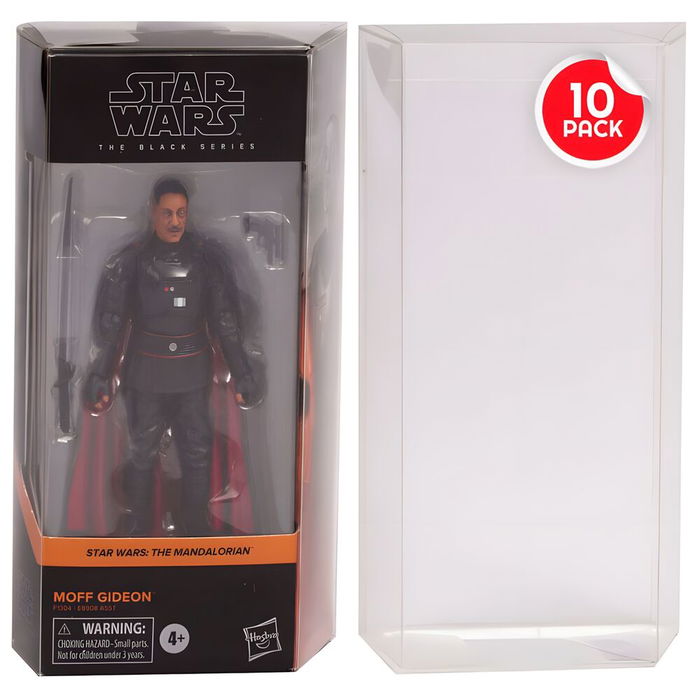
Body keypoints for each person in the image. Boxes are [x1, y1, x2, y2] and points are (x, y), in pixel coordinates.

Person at [84, 177, 263, 536]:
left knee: (197, 450)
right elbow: (113, 325)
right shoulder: (131, 262)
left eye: (181, 213)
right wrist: (100, 374)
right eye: (167, 213)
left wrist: (243, 372)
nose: (175, 221)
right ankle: (140, 524)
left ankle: (195, 522)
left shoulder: (206, 262)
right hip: (144, 374)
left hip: (192, 374)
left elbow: (225, 322)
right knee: (141, 450)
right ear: (152, 212)